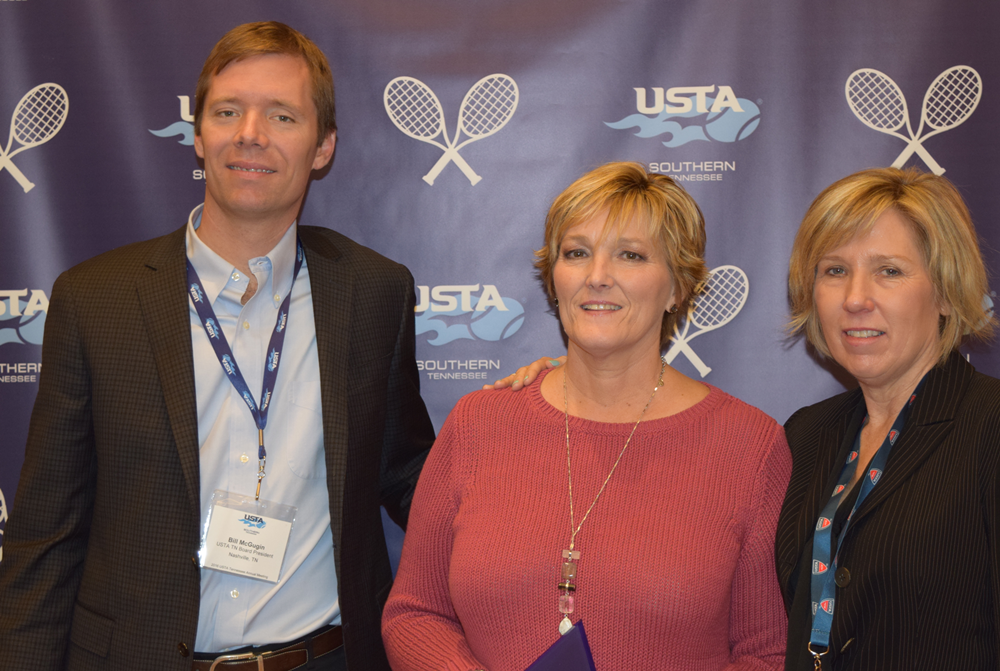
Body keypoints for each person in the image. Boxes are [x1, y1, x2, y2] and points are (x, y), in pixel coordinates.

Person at [0, 22, 436, 671]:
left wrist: (540, 420)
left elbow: (411, 476)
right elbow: (45, 536)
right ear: (199, 135)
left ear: (323, 146)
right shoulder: (96, 300)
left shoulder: (374, 292)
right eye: (228, 111)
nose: (250, 133)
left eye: (282, 115)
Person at [382, 162, 790, 671]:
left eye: (630, 255)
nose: (598, 277)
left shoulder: (750, 446)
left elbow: (767, 653)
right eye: (576, 253)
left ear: (677, 287)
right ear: (554, 280)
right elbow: (415, 613)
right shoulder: (477, 424)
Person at [775, 167, 1000, 670]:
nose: (856, 299)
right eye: (835, 270)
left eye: (889, 271)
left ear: (946, 293)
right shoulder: (806, 434)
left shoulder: (991, 426)